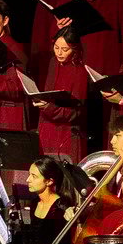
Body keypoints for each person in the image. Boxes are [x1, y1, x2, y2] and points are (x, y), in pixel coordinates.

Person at [36, 31, 90, 161]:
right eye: (56, 47)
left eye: (65, 49)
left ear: (74, 49)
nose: (59, 53)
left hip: (65, 131)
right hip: (46, 126)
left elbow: (76, 111)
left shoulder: (80, 71)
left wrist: (49, 108)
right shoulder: (53, 62)